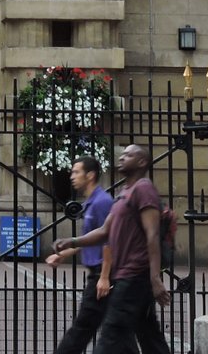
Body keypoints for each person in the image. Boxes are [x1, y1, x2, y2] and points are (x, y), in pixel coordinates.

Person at [53, 144, 172, 354]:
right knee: (149, 337)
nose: (122, 157)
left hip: (134, 276)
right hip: (127, 276)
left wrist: (155, 278)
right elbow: (104, 231)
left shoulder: (143, 189)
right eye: (123, 154)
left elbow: (152, 235)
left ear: (142, 162)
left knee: (111, 335)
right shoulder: (123, 193)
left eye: (129, 155)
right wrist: (71, 241)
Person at [44, 155, 116, 354]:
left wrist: (104, 276)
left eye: (76, 172)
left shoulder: (102, 202)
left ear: (90, 175)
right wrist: (64, 254)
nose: (72, 176)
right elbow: (89, 237)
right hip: (98, 274)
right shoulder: (91, 202)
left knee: (82, 328)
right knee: (118, 332)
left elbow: (108, 240)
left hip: (101, 275)